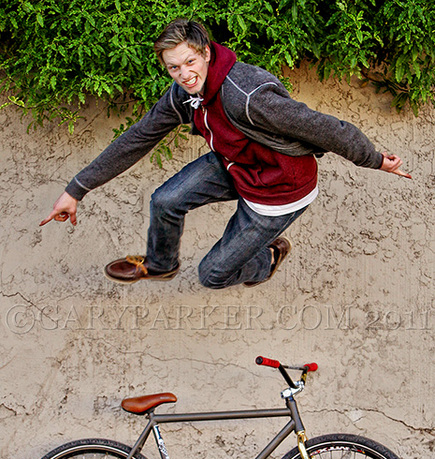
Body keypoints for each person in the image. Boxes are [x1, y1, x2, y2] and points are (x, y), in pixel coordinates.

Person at [40, 19, 411, 289]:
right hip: (236, 165)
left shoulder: (247, 95)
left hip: (278, 189)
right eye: (173, 67)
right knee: (166, 200)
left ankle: (267, 258)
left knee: (212, 275)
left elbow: (325, 127)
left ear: (205, 52)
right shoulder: (183, 94)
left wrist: (374, 159)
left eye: (190, 62)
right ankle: (160, 264)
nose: (184, 74)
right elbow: (137, 138)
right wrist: (76, 190)